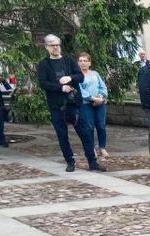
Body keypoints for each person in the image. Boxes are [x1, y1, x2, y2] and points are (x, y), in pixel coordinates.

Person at [36, 34, 106, 173]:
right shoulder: (44, 64)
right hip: (56, 104)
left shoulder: (68, 61)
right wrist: (60, 87)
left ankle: (92, 161)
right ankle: (69, 161)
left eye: (57, 44)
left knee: (85, 132)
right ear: (47, 47)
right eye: (52, 45)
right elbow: (43, 83)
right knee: (62, 135)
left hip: (73, 103)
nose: (55, 47)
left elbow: (80, 77)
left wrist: (70, 77)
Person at [76, 53, 109, 160]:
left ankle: (102, 147)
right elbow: (80, 91)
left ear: (89, 63)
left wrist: (100, 97)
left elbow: (102, 87)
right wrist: (92, 99)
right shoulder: (77, 76)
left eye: (85, 61)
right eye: (80, 61)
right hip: (87, 104)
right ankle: (92, 148)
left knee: (101, 126)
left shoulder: (95, 74)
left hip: (99, 103)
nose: (83, 63)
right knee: (89, 127)